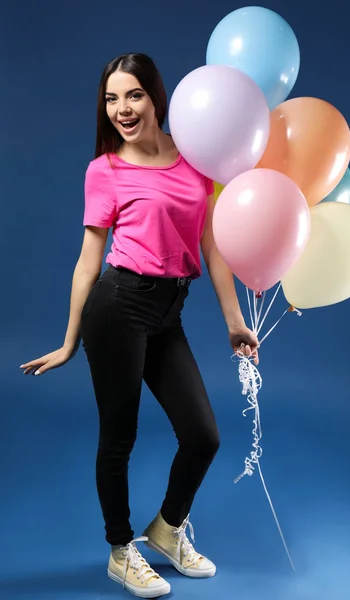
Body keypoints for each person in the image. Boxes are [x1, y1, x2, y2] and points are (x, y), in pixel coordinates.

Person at [20, 53, 259, 598]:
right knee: (119, 437)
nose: (122, 109)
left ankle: (167, 530)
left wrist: (234, 321)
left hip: (168, 311)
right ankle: (120, 550)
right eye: (111, 98)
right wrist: (69, 339)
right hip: (118, 305)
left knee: (203, 435)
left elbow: (211, 243)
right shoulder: (104, 170)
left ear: (156, 97)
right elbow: (89, 260)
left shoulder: (197, 159)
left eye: (133, 95)